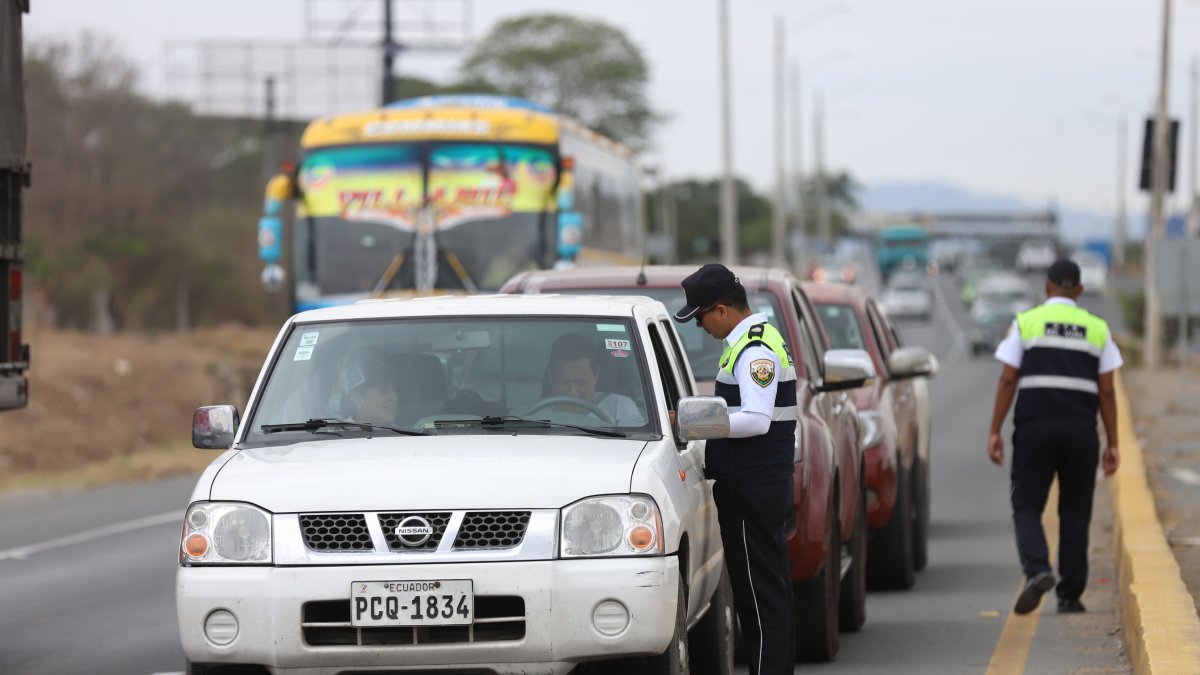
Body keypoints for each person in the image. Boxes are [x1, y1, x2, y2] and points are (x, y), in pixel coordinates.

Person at [674, 263, 796, 675]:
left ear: (722, 310)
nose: (700, 327)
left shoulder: (755, 351)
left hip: (752, 488)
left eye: (701, 316)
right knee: (767, 597)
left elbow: (757, 420)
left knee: (759, 602)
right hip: (757, 484)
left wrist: (694, 423)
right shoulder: (752, 343)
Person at [988, 259, 1122, 615]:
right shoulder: (1097, 329)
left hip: (1035, 429)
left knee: (1027, 505)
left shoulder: (1027, 323)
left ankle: (1038, 570)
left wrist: (994, 430)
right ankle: (1070, 594)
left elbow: (1007, 379)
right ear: (1079, 291)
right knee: (1075, 512)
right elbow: (1107, 392)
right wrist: (1113, 443)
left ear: (1047, 288)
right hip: (1081, 431)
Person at [542, 333, 646, 426]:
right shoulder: (531, 415)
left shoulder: (619, 407)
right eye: (563, 382)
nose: (572, 392)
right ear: (551, 376)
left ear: (596, 375)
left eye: (581, 383)